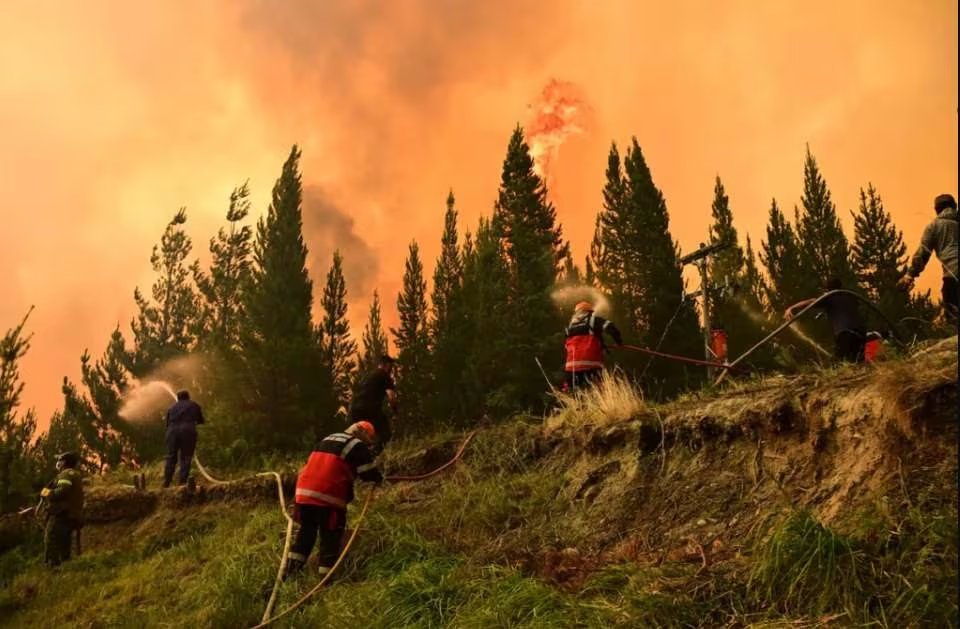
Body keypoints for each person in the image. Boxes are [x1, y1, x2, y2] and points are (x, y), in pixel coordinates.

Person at [285, 421, 383, 578]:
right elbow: (368, 473)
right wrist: (379, 478)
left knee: (305, 534)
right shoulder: (356, 444)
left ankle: (289, 574)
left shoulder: (326, 439)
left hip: (303, 495)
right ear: (363, 433)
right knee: (330, 538)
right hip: (327, 497)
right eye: (368, 441)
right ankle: (326, 580)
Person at [899, 193, 958, 324]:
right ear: (955, 206)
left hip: (953, 277)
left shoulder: (934, 226)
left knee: (953, 318)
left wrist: (910, 275)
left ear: (937, 209)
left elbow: (923, 253)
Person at [784, 278, 866, 362]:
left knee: (839, 362)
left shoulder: (830, 297)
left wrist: (791, 308)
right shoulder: (850, 296)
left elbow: (811, 301)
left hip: (845, 332)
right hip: (861, 332)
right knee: (857, 360)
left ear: (827, 289)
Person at [563, 301, 623, 391]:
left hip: (572, 366)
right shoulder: (594, 320)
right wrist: (618, 342)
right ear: (590, 312)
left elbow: (567, 345)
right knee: (597, 391)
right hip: (591, 364)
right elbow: (611, 327)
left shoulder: (570, 326)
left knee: (572, 392)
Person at [41, 452, 84, 567]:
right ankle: (66, 564)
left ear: (64, 462)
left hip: (62, 514)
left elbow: (63, 490)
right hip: (72, 514)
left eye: (59, 460)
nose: (58, 463)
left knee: (51, 537)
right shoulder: (75, 474)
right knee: (65, 540)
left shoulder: (65, 474)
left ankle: (52, 566)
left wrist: (47, 493)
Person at [349, 355, 398, 452]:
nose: (391, 370)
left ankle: (361, 456)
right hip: (369, 409)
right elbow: (391, 396)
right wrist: (395, 412)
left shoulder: (368, 376)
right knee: (385, 434)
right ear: (387, 365)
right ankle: (376, 455)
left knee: (361, 438)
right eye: (391, 367)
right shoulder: (384, 375)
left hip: (355, 410)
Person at [163, 390, 204, 488]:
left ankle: (166, 482)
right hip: (187, 432)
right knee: (186, 457)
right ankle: (182, 482)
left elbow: (168, 424)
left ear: (178, 398)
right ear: (188, 396)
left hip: (172, 433)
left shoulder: (171, 407)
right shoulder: (194, 405)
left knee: (171, 457)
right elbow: (201, 420)